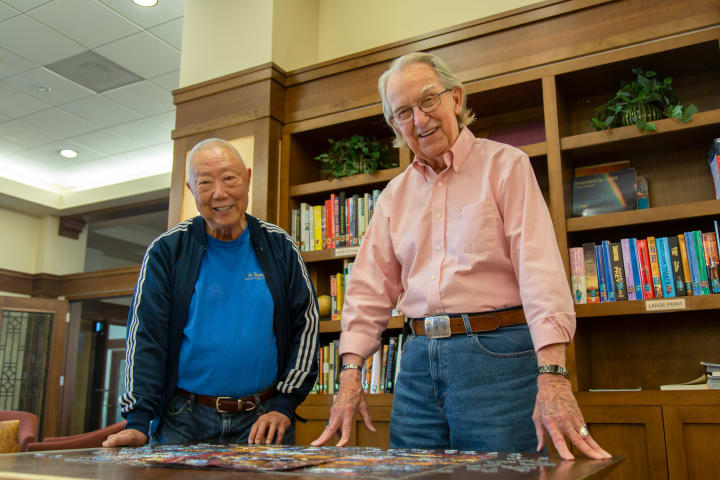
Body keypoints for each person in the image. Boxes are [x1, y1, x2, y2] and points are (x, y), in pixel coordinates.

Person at [311, 52, 610, 460]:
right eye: (403, 112)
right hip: (415, 364)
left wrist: (554, 374)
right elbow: (368, 289)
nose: (419, 119)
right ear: (395, 125)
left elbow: (539, 271)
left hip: (498, 358)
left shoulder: (507, 167)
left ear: (456, 98)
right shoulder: (393, 197)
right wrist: (350, 374)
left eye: (428, 100)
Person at [103, 138, 319, 447]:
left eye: (229, 178)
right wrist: (138, 419)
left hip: (263, 420)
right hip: (182, 419)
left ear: (246, 178)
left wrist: (285, 404)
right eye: (205, 183)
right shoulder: (167, 251)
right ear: (191, 190)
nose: (219, 193)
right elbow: (146, 337)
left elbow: (306, 327)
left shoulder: (280, 246)